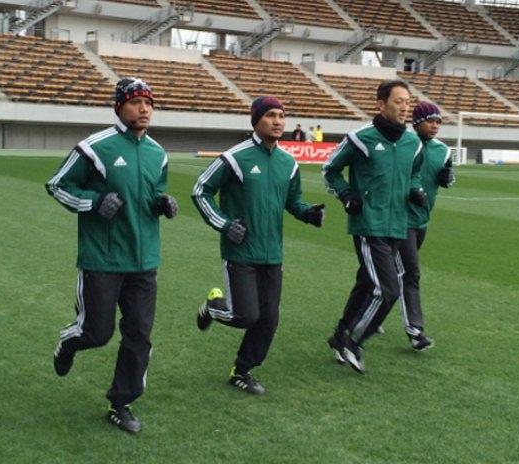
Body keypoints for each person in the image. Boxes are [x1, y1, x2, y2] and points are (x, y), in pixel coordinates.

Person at [45, 78, 178, 433]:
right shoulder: (94, 147)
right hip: (102, 259)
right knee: (96, 332)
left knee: (140, 335)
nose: (145, 109)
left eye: (149, 103)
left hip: (144, 260)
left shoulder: (157, 153)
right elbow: (58, 185)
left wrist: (162, 203)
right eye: (136, 102)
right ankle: (69, 342)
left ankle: (122, 402)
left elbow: (153, 192)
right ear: (119, 106)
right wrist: (93, 202)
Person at [191, 96, 325, 395]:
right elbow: (200, 191)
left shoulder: (288, 163)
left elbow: (293, 201)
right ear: (256, 120)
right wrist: (225, 225)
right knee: (245, 315)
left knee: (269, 318)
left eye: (281, 116)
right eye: (270, 116)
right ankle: (213, 307)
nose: (278, 121)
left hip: (272, 253)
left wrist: (307, 213)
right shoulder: (235, 158)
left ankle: (242, 370)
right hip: (240, 252)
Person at [322, 79, 424, 374]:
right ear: (381, 105)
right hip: (369, 224)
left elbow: (414, 174)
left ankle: (340, 334)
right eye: (398, 101)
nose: (404, 107)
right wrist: (346, 196)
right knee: (388, 289)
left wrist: (416, 190)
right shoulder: (360, 139)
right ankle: (353, 340)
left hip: (399, 224)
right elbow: (330, 170)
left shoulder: (413, 143)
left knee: (367, 283)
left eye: (408, 102)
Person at [397, 101, 455, 350]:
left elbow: (449, 178)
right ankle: (415, 331)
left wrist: (448, 178)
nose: (434, 126)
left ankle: (364, 313)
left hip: (422, 220)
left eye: (438, 122)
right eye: (430, 121)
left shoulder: (444, 150)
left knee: (379, 273)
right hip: (400, 220)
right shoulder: (404, 145)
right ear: (416, 123)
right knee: (410, 273)